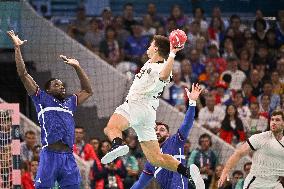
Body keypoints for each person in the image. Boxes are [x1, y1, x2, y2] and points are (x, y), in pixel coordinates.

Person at [102, 34, 204, 188]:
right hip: (148, 114)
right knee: (157, 158)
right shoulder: (150, 62)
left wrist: (173, 52)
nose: (148, 47)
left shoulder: (162, 67)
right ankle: (188, 173)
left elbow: (164, 74)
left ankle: (118, 144)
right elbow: (159, 53)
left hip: (137, 104)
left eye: (150, 45)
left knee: (111, 127)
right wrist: (171, 43)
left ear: (155, 48)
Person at [7, 30, 93, 189]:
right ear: (48, 90)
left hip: (68, 157)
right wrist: (17, 48)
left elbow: (88, 91)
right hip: (49, 156)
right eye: (56, 84)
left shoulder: (69, 102)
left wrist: (77, 67)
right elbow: (23, 74)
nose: (61, 87)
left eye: (62, 85)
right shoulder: (41, 98)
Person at [131, 85, 204, 189]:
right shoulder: (151, 160)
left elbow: (187, 123)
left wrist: (192, 103)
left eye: (162, 130)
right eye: (155, 130)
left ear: (168, 135)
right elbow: (139, 184)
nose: (157, 132)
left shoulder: (175, 141)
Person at [218, 110, 284, 189]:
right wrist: (225, 172)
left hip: (274, 183)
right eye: (272, 119)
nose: (273, 122)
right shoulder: (260, 138)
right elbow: (238, 153)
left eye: (277, 120)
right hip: (256, 183)